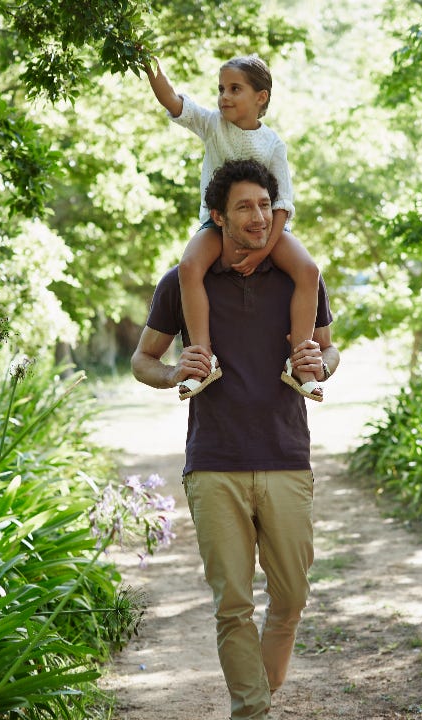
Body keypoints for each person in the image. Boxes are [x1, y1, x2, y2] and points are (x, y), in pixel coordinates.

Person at [131, 158, 339, 720]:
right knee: (233, 605)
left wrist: (320, 360)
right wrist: (175, 370)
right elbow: (142, 360)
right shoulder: (182, 282)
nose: (259, 216)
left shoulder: (299, 278)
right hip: (214, 461)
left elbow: (329, 350)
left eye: (266, 206)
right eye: (245, 206)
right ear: (218, 217)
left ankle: (260, 691)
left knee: (292, 597)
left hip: (286, 456)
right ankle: (252, 710)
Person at [145, 54, 324, 401]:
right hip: (216, 226)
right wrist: (149, 65)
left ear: (261, 97)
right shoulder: (213, 125)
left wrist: (264, 253)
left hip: (269, 230)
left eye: (234, 89)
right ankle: (203, 359)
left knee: (308, 269)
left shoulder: (273, 144)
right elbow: (172, 100)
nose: (224, 96)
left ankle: (301, 363)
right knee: (189, 266)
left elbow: (282, 204)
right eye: (221, 89)